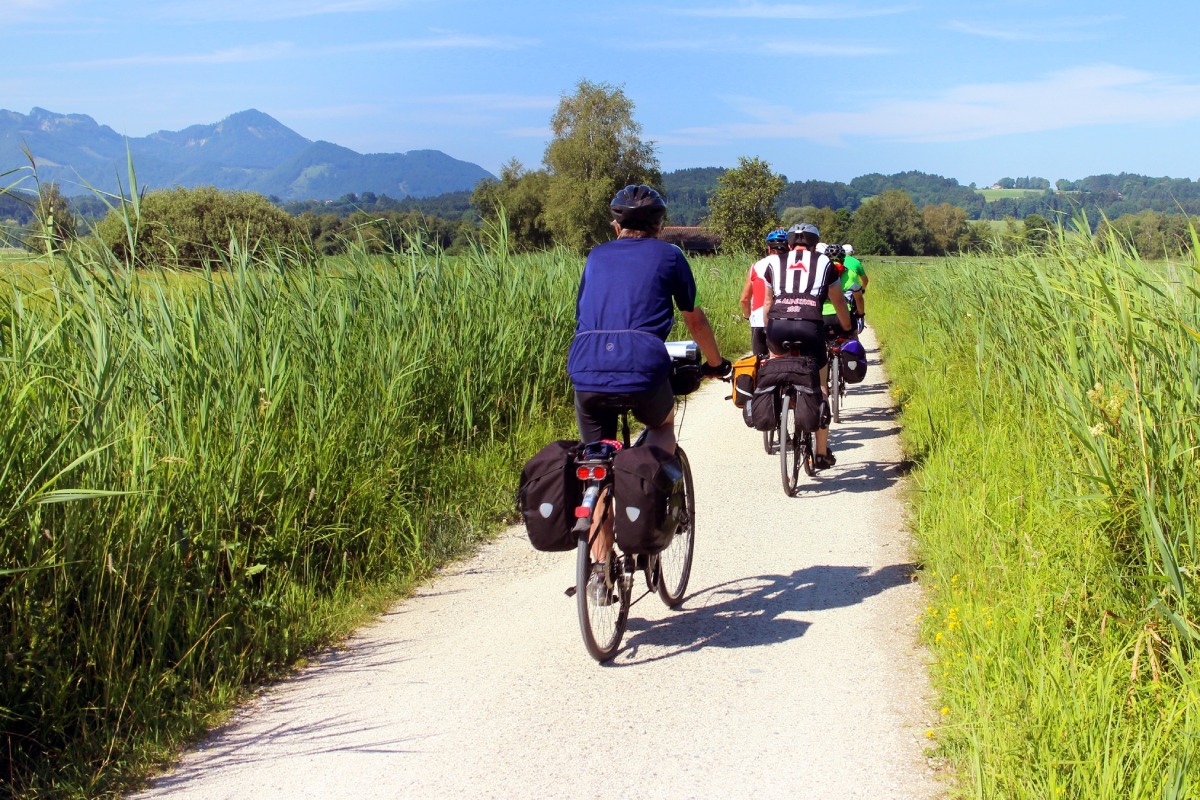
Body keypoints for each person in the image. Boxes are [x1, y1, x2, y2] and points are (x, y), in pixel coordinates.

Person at [567, 184, 730, 563]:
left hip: (586, 365)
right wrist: (716, 364)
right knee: (662, 423)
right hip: (642, 364)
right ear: (660, 227)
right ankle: (650, 508)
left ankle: (601, 571)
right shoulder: (670, 256)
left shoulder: (596, 256)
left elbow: (583, 315)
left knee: (596, 461)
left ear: (616, 225)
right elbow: (694, 318)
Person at [762, 223, 851, 469]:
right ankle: (821, 453)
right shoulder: (825, 264)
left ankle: (783, 403)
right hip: (810, 327)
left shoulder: (774, 263)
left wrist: (769, 331)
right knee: (821, 385)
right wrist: (847, 326)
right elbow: (839, 302)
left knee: (777, 369)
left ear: (789, 244)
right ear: (814, 245)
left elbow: (767, 304)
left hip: (777, 327)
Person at [739, 229, 788, 358]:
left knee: (758, 362)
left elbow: (744, 299)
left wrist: (748, 316)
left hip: (759, 321)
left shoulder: (756, 266)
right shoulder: (792, 266)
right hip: (785, 321)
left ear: (768, 248)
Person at [842, 244, 868, 325]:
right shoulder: (856, 262)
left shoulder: (833, 261)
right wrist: (862, 289)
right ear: (852, 252)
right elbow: (865, 280)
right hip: (851, 290)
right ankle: (860, 317)